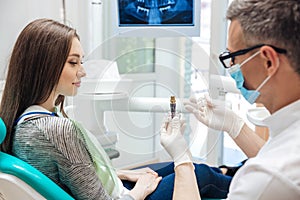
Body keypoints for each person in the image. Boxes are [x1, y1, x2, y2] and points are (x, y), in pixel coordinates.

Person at [0, 18, 238, 200]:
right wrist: (139, 191)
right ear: (43, 65)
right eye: (73, 62)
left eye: (81, 61)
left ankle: (232, 172)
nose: (82, 71)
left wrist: (122, 174)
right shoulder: (55, 129)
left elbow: (73, 176)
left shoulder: (24, 119)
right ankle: (251, 183)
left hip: (114, 187)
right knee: (201, 175)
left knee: (191, 168)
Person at [170, 0, 300, 199]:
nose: (231, 66)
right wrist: (235, 126)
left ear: (268, 61)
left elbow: (274, 172)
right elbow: (276, 154)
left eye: (233, 57)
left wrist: (181, 159)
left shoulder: (267, 178)